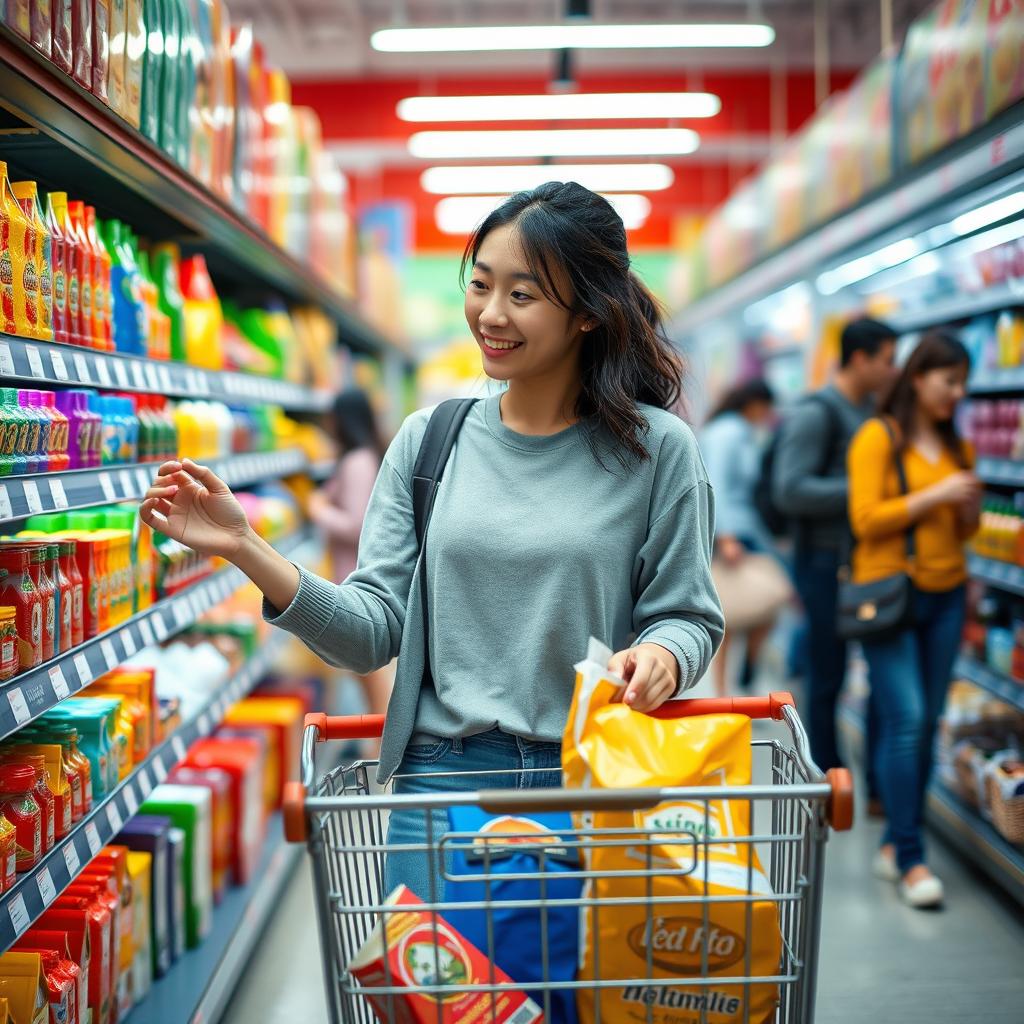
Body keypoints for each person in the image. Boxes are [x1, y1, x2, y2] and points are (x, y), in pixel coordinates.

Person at [139, 181, 725, 901]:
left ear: (587, 316)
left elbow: (690, 614)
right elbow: (371, 633)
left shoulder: (656, 450)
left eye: (523, 294)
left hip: (598, 774)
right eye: (480, 285)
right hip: (440, 784)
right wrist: (244, 547)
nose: (490, 313)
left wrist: (665, 653)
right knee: (438, 1004)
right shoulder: (429, 442)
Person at [847, 331, 980, 908]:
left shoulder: (958, 446)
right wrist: (937, 495)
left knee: (926, 725)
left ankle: (896, 842)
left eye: (962, 384)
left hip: (946, 594)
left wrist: (967, 509)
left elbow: (965, 531)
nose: (957, 393)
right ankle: (910, 856)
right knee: (909, 717)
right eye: (949, 381)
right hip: (890, 597)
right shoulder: (879, 437)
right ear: (919, 377)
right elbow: (865, 519)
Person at [772, 318, 897, 806]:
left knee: (880, 679)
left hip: (869, 565)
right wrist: (865, 495)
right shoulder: (816, 413)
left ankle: (877, 789)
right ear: (861, 359)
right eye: (888, 359)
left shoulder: (871, 411)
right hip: (824, 564)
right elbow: (790, 489)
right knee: (828, 678)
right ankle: (830, 783)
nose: (894, 370)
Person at [307, 389, 393, 732]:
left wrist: (318, 510)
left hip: (353, 576)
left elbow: (357, 524)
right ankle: (382, 743)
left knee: (368, 673)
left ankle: (383, 748)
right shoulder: (366, 455)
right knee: (365, 673)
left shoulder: (357, 461)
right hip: (352, 573)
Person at [700, 379, 781, 697]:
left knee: (764, 602)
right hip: (731, 533)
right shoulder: (728, 433)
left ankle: (742, 676)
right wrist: (726, 537)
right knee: (731, 614)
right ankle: (723, 692)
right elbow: (714, 482)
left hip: (746, 531)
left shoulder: (739, 432)